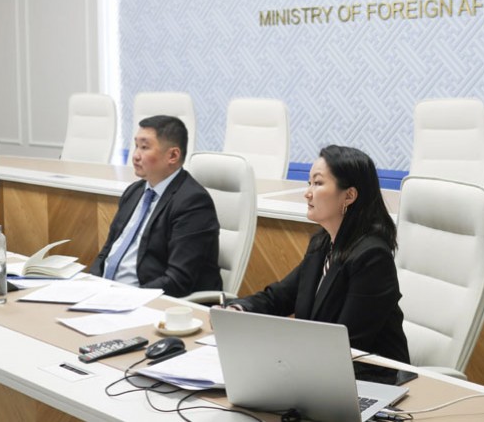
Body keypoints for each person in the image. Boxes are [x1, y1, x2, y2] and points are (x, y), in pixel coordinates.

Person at [225, 144, 410, 364]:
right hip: (323, 366)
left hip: (371, 376)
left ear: (349, 195)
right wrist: (238, 309)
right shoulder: (322, 243)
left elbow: (348, 342)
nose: (307, 193)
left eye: (318, 183)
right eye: (309, 183)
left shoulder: (372, 258)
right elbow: (280, 297)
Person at [91, 115, 221, 297]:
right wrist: (91, 285)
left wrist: (126, 297)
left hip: (148, 301)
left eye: (144, 147)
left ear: (173, 156)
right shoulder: (134, 192)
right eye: (136, 146)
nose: (135, 155)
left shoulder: (193, 202)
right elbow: (106, 251)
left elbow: (178, 280)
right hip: (106, 294)